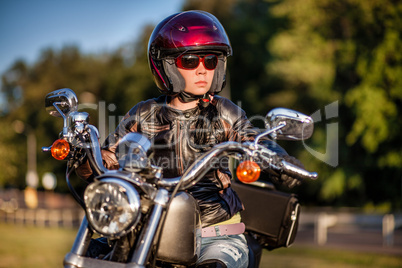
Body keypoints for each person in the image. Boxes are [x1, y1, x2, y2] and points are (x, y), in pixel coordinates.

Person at [78, 10, 302, 268]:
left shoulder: (224, 112)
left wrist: (279, 159)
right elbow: (107, 159)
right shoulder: (143, 113)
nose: (202, 69)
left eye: (210, 60)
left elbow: (252, 138)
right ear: (167, 65)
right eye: (191, 61)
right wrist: (85, 154)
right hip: (152, 227)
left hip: (215, 232)